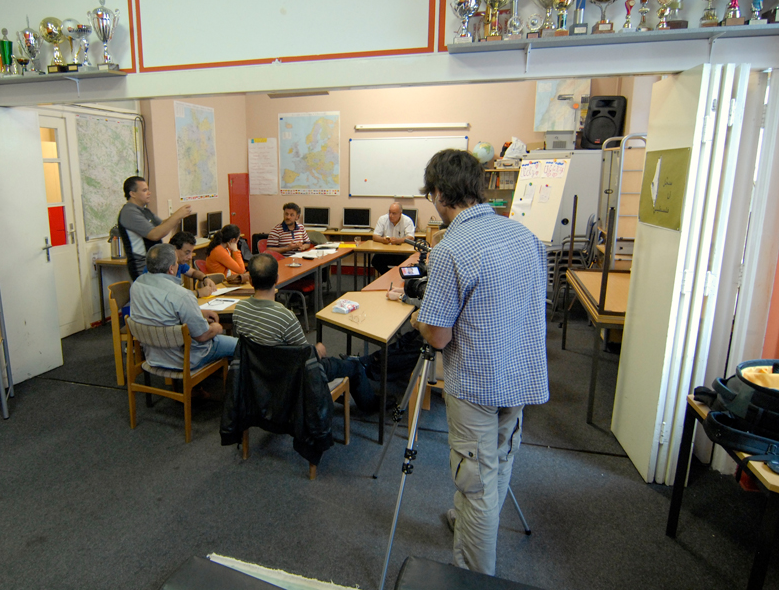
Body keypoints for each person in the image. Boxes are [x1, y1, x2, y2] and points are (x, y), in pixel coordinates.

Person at [410, 148, 548, 576]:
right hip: (518, 373)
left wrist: (418, 320)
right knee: (499, 462)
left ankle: (473, 578)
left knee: (475, 484)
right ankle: (470, 523)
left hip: (475, 384)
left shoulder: (451, 249)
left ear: (439, 193)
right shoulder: (525, 236)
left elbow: (438, 335)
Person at [232, 254, 378, 413]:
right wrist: (317, 349)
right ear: (277, 279)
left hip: (257, 376)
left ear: (250, 281)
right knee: (354, 366)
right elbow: (305, 356)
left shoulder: (239, 310)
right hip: (290, 377)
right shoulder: (285, 316)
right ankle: (371, 407)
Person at [130, 243, 237, 371]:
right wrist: (216, 328)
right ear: (171, 269)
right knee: (242, 346)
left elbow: (162, 312)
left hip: (154, 356)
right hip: (185, 358)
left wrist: (199, 312)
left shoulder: (137, 285)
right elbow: (202, 336)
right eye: (176, 262)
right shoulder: (181, 295)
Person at [118, 176, 192, 280]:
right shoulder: (129, 212)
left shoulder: (145, 211)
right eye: (144, 190)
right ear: (132, 194)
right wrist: (177, 216)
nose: (149, 193)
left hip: (154, 265)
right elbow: (155, 234)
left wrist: (177, 217)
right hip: (142, 268)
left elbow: (162, 225)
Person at [169, 231, 218, 298]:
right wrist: (198, 292)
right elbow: (172, 295)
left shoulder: (179, 263)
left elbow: (193, 272)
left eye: (191, 253)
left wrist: (205, 278)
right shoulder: (164, 267)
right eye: (187, 253)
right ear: (174, 249)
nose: (190, 257)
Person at [371, 202, 416, 274]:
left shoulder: (407, 220)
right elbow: (375, 236)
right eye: (389, 212)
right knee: (375, 261)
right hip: (385, 252)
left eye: (394, 213)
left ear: (400, 214)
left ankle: (396, 277)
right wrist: (382, 240)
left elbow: (411, 237)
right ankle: (389, 276)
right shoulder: (382, 219)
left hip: (401, 253)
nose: (390, 215)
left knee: (408, 262)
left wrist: (398, 240)